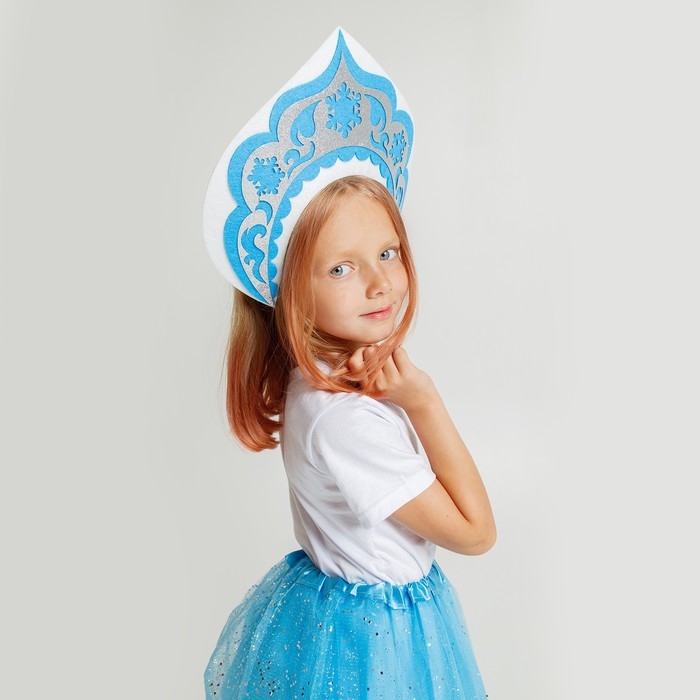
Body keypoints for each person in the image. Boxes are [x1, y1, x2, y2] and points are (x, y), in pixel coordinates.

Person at [203, 28, 495, 700]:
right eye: (341, 268)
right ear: (292, 294)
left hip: (347, 619)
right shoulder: (348, 422)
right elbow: (476, 531)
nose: (379, 282)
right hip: (377, 642)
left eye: (387, 253)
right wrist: (424, 401)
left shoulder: (319, 381)